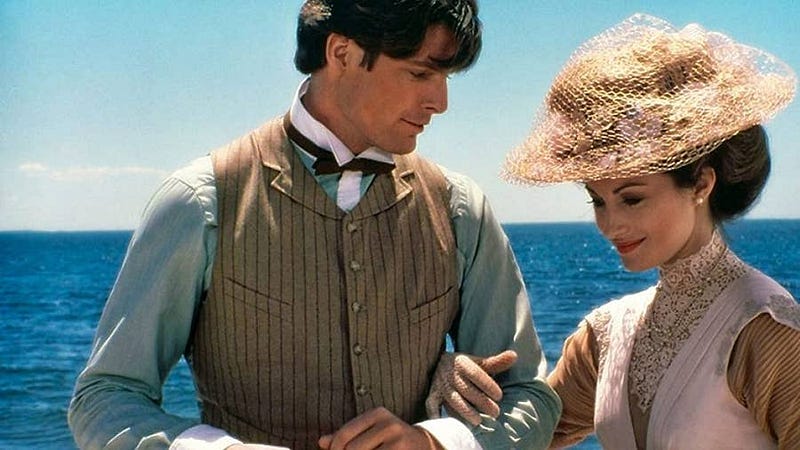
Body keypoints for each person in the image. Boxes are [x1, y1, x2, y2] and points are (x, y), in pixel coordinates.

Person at [67, 1, 561, 449]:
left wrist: (435, 442)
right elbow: (106, 397)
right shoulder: (200, 201)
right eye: (419, 73)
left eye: (445, 77)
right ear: (342, 53)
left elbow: (531, 398)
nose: (441, 101)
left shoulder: (460, 209)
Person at [431, 13, 800, 449]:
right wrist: (447, 374)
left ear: (701, 184)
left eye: (632, 199)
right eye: (598, 201)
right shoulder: (605, 336)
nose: (609, 224)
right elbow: (525, 435)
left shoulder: (765, 329)